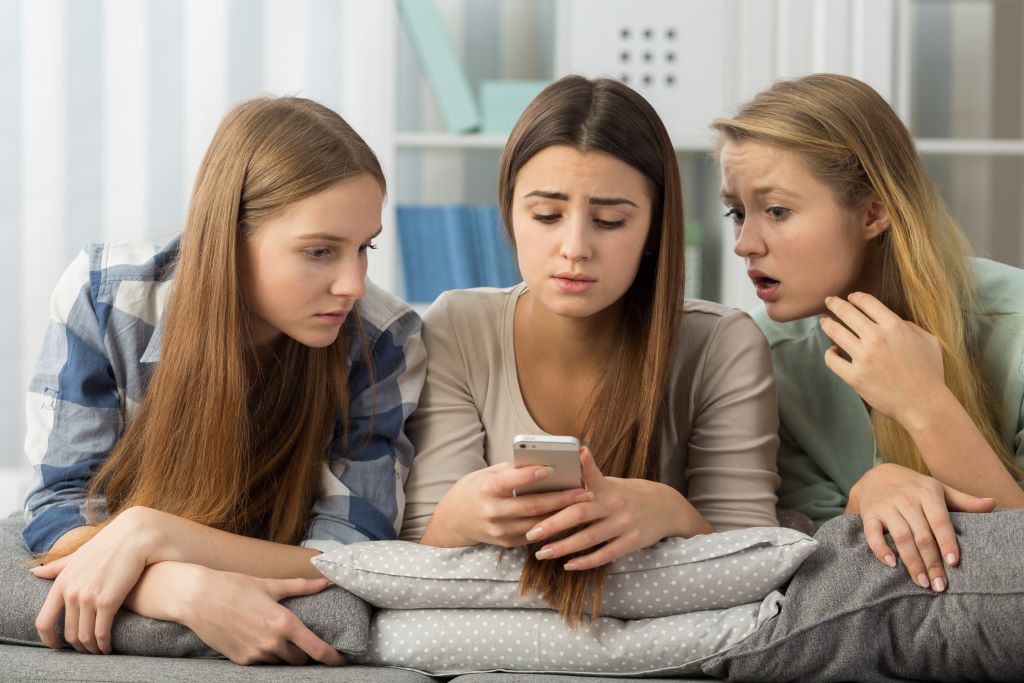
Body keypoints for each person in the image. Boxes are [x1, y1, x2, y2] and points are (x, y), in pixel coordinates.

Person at [22, 97, 425, 664]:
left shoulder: (382, 339)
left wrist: (155, 536)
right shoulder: (104, 297)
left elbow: (351, 554)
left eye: (365, 248)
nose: (353, 284)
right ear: (229, 238)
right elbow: (59, 504)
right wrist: (175, 588)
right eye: (320, 251)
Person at [401, 75, 780, 627]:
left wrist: (666, 512)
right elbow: (414, 576)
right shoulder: (457, 326)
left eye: (610, 221)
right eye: (547, 216)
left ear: (654, 228)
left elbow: (757, 566)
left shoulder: (722, 345)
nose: (575, 248)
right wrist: (454, 522)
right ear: (509, 212)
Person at [714, 73, 1024, 595]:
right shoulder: (763, 360)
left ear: (874, 212)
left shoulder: (1016, 326)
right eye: (737, 213)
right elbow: (815, 580)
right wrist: (867, 497)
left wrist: (925, 406)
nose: (745, 243)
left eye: (777, 211)